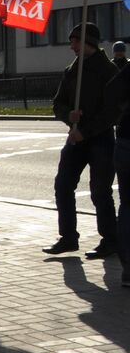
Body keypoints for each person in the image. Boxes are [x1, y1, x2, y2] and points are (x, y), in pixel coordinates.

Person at [44, 23, 120, 259]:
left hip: (100, 140)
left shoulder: (108, 71)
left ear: (89, 42)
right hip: (76, 139)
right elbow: (58, 103)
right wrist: (69, 115)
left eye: (75, 41)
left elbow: (112, 112)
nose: (72, 46)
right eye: (71, 41)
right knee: (63, 185)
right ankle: (68, 237)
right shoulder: (72, 70)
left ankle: (110, 240)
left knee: (100, 191)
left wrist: (85, 131)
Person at [103, 45, 130, 287]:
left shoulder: (127, 70)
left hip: (125, 140)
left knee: (127, 206)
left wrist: (123, 113)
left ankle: (128, 269)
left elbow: (110, 93)